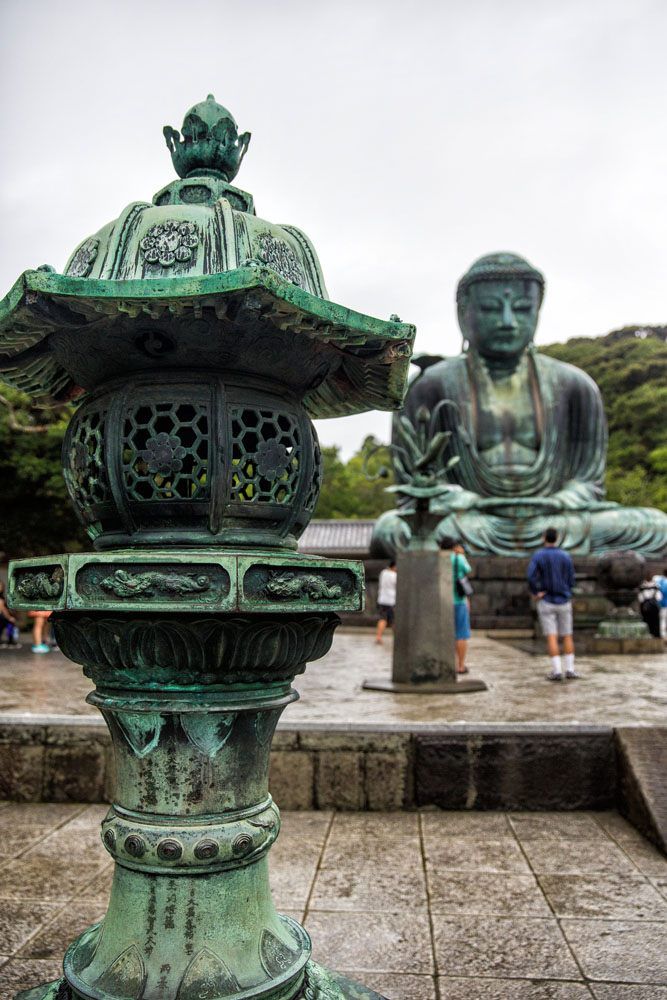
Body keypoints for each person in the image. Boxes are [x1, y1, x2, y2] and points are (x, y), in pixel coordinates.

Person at [371, 252, 667, 559]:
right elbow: (414, 490)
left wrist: (565, 499)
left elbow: (588, 482)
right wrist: (459, 499)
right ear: (463, 313)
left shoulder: (575, 386)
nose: (508, 322)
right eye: (490, 308)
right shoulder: (430, 385)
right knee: (393, 529)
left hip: (555, 519)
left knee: (655, 526)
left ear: (538, 311)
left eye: (523, 309)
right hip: (471, 520)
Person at [527, 527, 578, 681]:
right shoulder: (565, 556)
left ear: (544, 538)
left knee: (552, 636)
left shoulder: (539, 555)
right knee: (567, 635)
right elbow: (571, 578)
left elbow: (530, 575)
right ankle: (570, 669)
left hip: (547, 599)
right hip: (564, 600)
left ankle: (556, 671)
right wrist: (567, 591)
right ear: (557, 538)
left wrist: (537, 591)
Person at [440, 537, 472, 674]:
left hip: (442, 601)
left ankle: (445, 664)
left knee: (444, 633)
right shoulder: (459, 558)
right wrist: (461, 554)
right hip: (459, 600)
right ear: (454, 546)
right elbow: (468, 570)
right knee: (461, 634)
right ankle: (460, 665)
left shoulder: (439, 559)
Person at [375, 560, 397, 644]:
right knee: (394, 620)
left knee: (382, 619)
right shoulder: (395, 575)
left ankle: (378, 637)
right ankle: (397, 638)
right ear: (394, 566)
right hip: (391, 601)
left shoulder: (383, 572)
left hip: (382, 599)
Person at [0, 581, 20, 648]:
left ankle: (10, 641)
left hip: (2, 617)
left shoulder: (2, 597)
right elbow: (2, 609)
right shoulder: (1, 599)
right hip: (2, 617)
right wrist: (9, 618)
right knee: (10, 624)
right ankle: (10, 641)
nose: (1, 587)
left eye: (2, 586)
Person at [657, 569, 667, 643]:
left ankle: (663, 637)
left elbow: (658, 596)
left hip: (663, 605)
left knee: (662, 621)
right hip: (664, 605)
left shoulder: (660, 582)